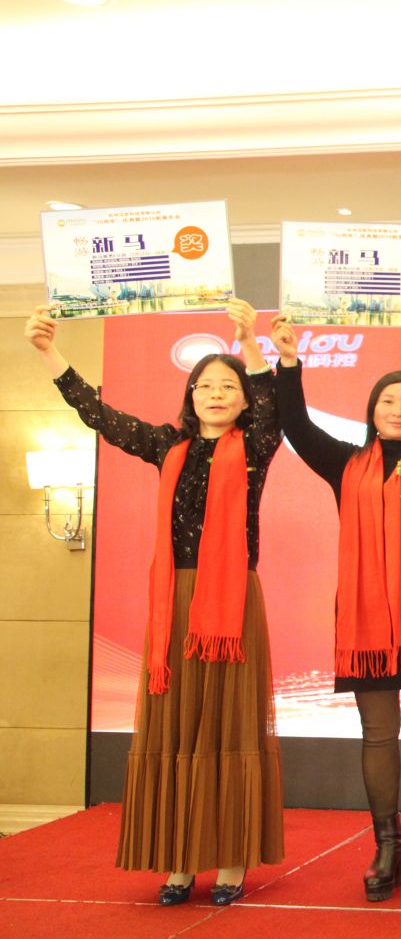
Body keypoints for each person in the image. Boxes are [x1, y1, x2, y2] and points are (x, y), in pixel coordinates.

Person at [26, 299, 282, 906]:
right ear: (190, 395)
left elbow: (276, 403)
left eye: (229, 387)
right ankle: (179, 862)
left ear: (245, 400)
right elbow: (101, 416)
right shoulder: (167, 446)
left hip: (230, 605)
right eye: (205, 385)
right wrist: (49, 351)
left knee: (226, 725)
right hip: (175, 603)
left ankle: (230, 862)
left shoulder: (256, 446)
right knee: (175, 727)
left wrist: (250, 341)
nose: (216, 393)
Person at [271, 310, 401, 903]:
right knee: (377, 733)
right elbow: (296, 424)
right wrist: (288, 362)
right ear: (372, 411)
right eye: (389, 400)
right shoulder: (345, 464)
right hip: (364, 618)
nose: (399, 409)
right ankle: (386, 845)